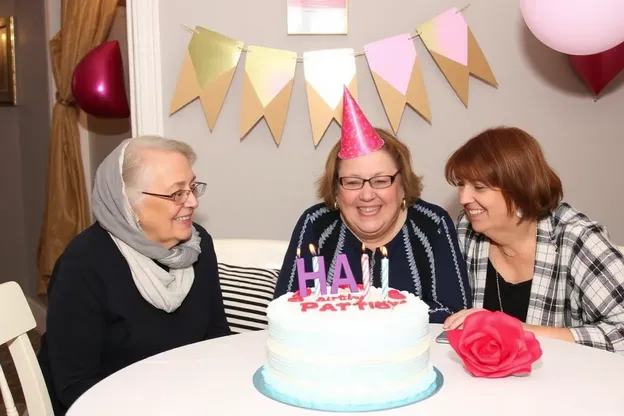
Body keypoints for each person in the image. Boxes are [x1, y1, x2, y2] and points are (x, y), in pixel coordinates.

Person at [38, 136, 231, 415]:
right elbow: (74, 383)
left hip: (184, 399)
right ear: (129, 203)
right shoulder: (83, 263)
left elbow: (216, 335)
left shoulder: (200, 247)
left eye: (192, 187)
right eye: (177, 193)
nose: (192, 202)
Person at [273, 88, 472, 323]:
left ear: (402, 185)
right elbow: (286, 311)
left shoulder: (432, 225)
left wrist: (374, 315)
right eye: (352, 182)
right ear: (336, 189)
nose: (367, 195)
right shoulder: (316, 226)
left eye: (380, 181)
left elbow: (454, 314)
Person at [443, 126, 624, 354]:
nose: (464, 198)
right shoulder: (464, 232)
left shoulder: (576, 239)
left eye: (479, 187)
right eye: (461, 184)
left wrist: (516, 329)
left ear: (518, 190)